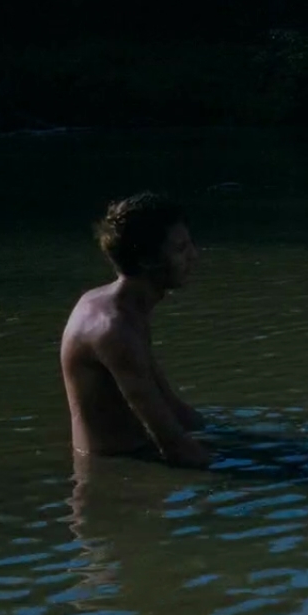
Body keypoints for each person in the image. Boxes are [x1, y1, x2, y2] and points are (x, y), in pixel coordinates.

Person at [60, 191, 212, 468]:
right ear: (146, 260)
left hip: (140, 454)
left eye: (190, 244)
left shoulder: (120, 309)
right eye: (180, 249)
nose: (194, 255)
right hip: (119, 467)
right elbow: (175, 447)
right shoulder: (114, 330)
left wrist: (236, 435)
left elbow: (174, 408)